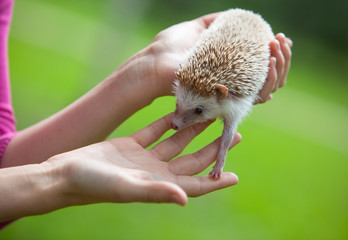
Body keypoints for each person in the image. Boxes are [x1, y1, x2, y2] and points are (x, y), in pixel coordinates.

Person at [0, 0, 292, 226]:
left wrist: (54, 180)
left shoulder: (231, 97)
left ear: (223, 96)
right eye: (180, 108)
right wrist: (54, 181)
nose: (178, 121)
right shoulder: (196, 85)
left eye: (197, 111)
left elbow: (5, 160)